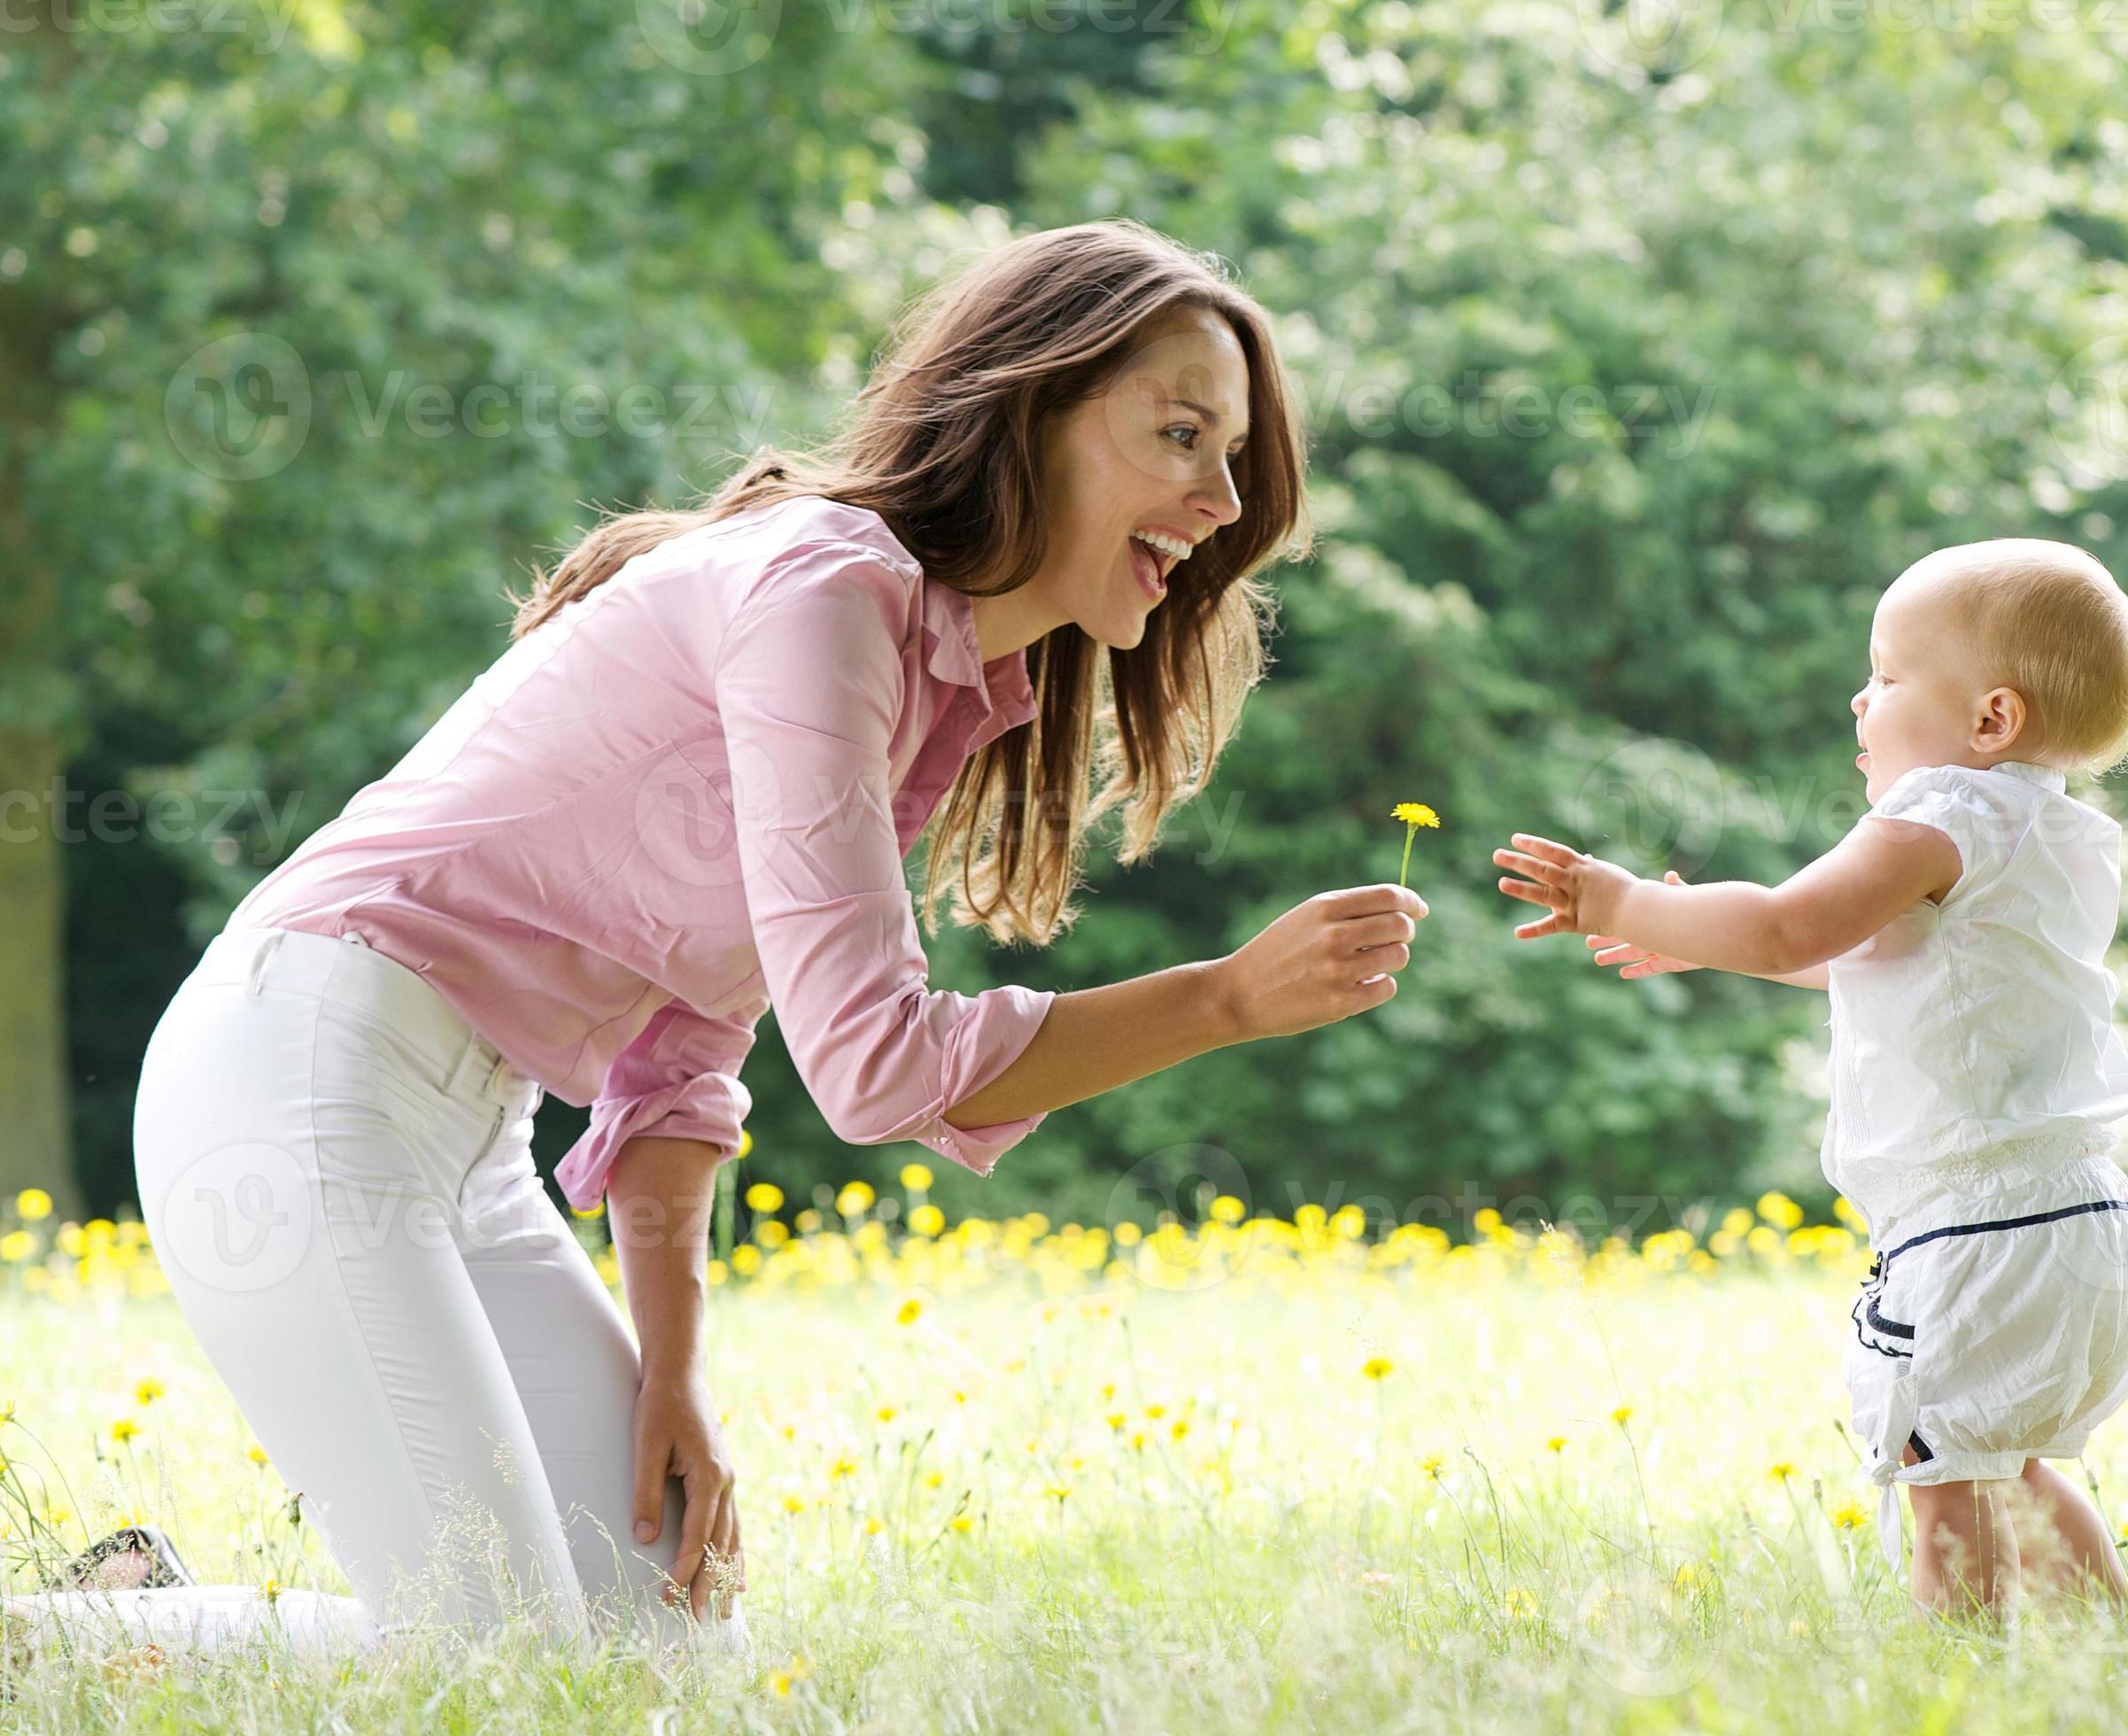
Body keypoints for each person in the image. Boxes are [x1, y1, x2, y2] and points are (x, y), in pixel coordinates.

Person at [4, 221, 1428, 1666]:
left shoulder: (937, 682)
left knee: (667, 1645)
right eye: (1183, 434)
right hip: (304, 1069)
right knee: (475, 1656)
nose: (1223, 496)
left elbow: (685, 1050)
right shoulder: (824, 594)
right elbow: (874, 1069)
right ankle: (68, 1642)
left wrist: (669, 1380)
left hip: (463, 1141)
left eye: (1234, 454)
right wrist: (1227, 999)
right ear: (1029, 410)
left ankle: (132, 1623)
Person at [1494, 539, 2128, 1618]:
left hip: (1978, 1233)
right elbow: (1849, 950)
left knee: (1947, 1484)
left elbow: (1784, 924)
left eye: (1889, 675)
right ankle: (2127, 1663)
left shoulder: (1945, 807)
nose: (1861, 699)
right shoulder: (2060, 832)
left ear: (1990, 719)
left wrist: (1624, 902)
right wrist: (1696, 936)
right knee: (2008, 1471)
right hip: (2090, 1225)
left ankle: (1956, 1686)